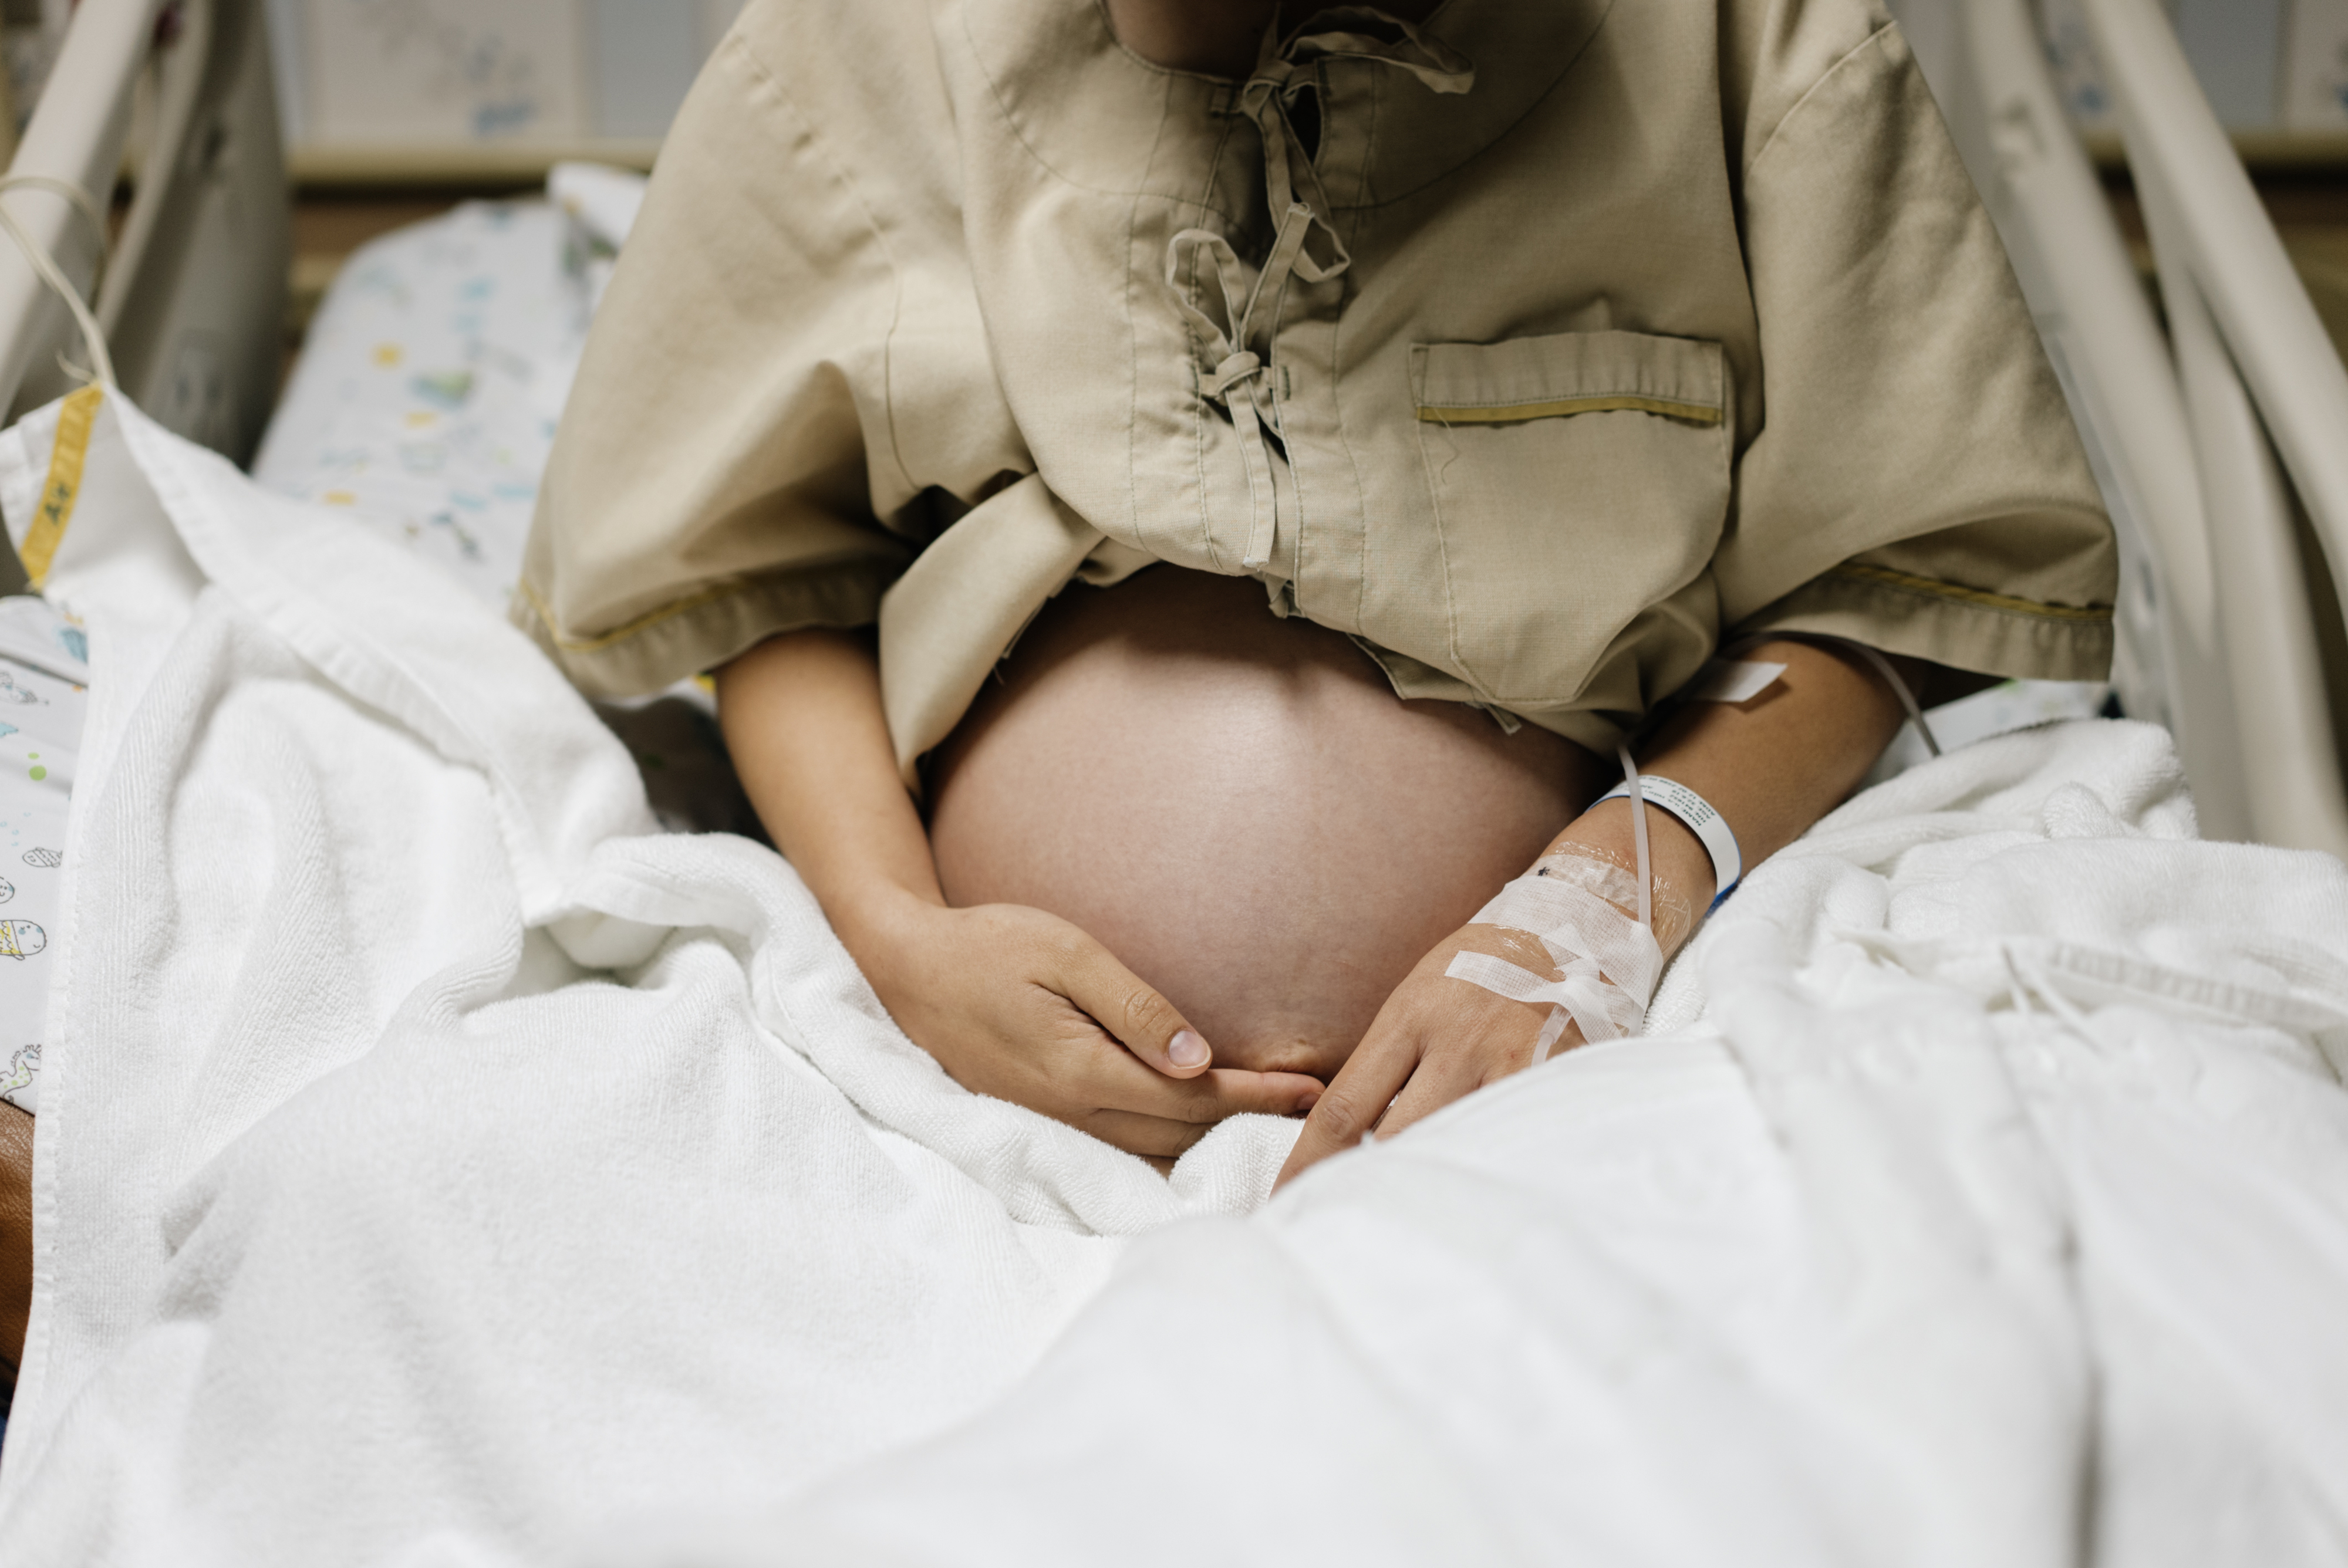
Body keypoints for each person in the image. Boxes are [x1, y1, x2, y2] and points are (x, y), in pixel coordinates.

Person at [516, 0, 2115, 1184]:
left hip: (1562, 1090)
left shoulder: (1747, 44)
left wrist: (1609, 903)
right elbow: (756, 574)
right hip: (956, 1099)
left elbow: (1898, 584)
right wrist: (893, 940)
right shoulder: (866, 45)